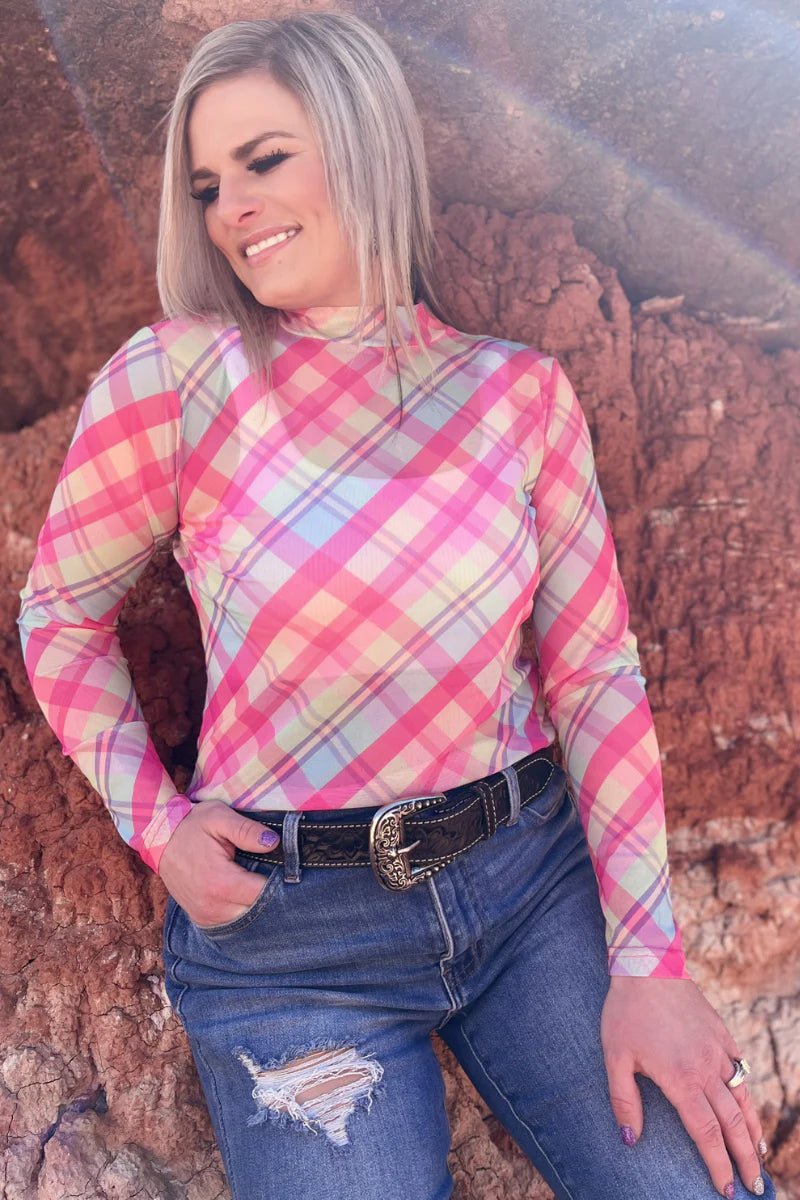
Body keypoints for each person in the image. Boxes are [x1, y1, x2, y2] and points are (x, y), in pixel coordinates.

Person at [16, 12, 776, 1200]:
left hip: (529, 891)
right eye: (209, 186)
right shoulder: (176, 378)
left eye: (264, 160)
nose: (232, 209)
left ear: (361, 143)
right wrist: (156, 826)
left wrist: (649, 963)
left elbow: (591, 678)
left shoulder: (517, 395)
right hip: (292, 944)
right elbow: (59, 616)